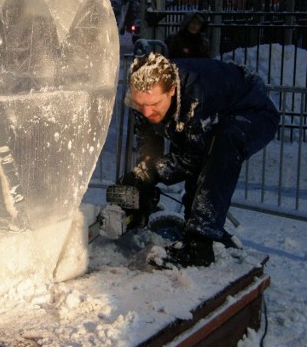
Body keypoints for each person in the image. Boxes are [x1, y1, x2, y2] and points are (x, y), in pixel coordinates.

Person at [120, 53, 280, 267]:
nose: (147, 112)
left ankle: (201, 243)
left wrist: (155, 173)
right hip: (211, 118)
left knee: (222, 146)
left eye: (155, 104)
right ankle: (201, 233)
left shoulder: (199, 94)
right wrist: (142, 176)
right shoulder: (143, 97)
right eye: (141, 105)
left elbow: (193, 158)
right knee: (203, 149)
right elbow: (148, 142)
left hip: (253, 112)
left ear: (172, 90)